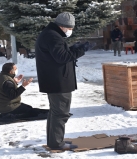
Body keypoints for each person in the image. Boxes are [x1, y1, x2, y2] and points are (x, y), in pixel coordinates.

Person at [35, 12, 95, 150]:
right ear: (63, 26)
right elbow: (62, 58)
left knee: (55, 112)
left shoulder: (51, 34)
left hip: (55, 80)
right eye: (70, 28)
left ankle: (54, 141)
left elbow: (59, 53)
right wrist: (81, 50)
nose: (71, 31)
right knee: (60, 112)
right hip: (58, 82)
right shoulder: (52, 36)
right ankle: (56, 143)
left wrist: (74, 48)